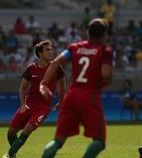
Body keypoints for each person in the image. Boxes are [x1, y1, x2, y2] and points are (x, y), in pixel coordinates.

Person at [40, 18, 113, 158]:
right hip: (90, 97)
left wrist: (43, 83)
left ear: (88, 33)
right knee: (99, 141)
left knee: (58, 141)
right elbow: (105, 74)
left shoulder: (74, 48)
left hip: (71, 97)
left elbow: (55, 63)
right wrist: (107, 79)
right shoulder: (105, 50)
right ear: (104, 35)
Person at [2, 40, 66, 158]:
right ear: (40, 53)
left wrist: (61, 102)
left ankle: (9, 155)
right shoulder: (31, 68)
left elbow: (62, 84)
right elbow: (22, 88)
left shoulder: (56, 67)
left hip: (43, 108)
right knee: (11, 133)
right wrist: (22, 104)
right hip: (28, 104)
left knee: (27, 130)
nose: (51, 51)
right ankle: (14, 153)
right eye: (47, 50)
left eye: (51, 49)